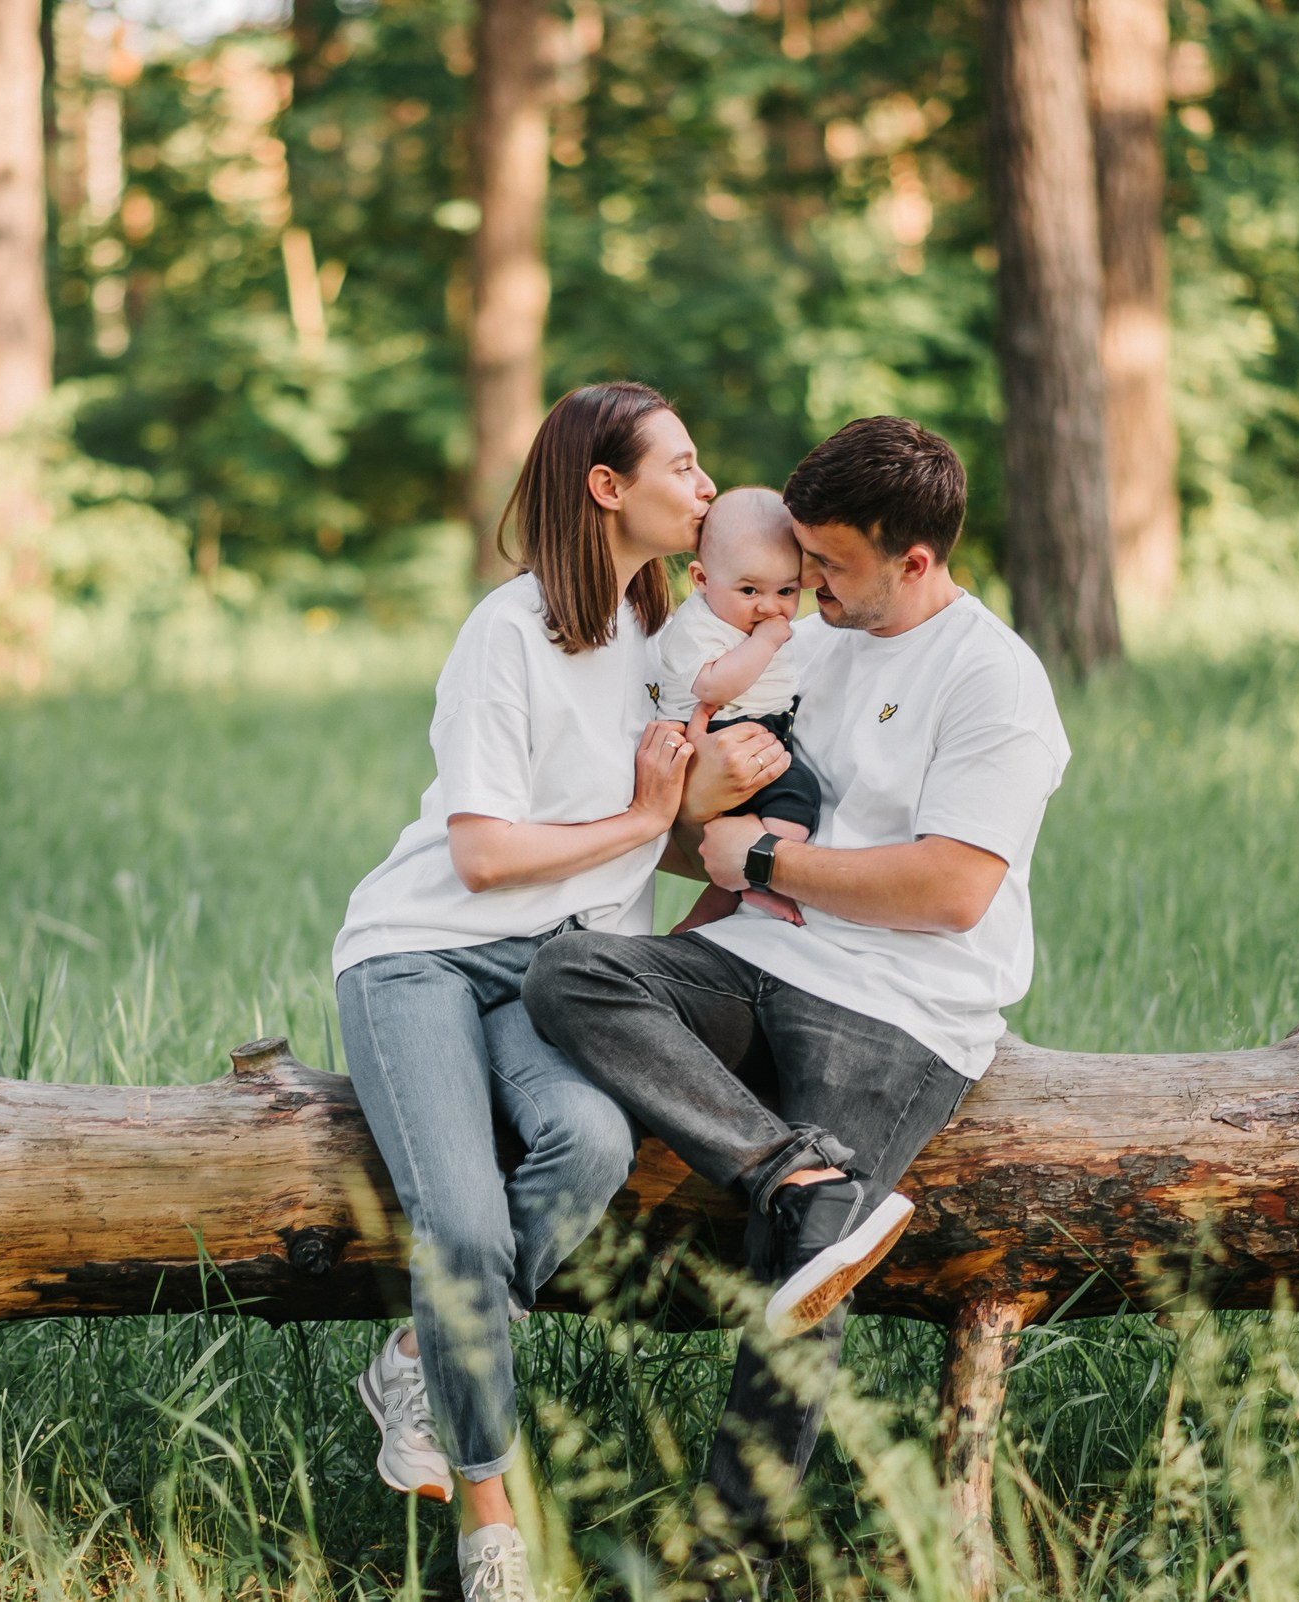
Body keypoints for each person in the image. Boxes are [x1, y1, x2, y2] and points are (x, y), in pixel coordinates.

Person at [523, 415, 1071, 1584]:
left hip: (906, 1004)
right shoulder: (807, 645)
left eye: (829, 564)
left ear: (913, 561)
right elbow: (694, 828)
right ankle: (790, 1168)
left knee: (797, 1270)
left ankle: (729, 1557)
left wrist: (761, 865)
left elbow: (953, 890)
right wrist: (694, 822)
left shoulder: (995, 681)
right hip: (765, 958)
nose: (801, 584)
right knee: (570, 972)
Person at [331, 382, 788, 1602]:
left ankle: (417, 1357)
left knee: (588, 1144)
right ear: (606, 486)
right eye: (682, 467)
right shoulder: (508, 632)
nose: (704, 488)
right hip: (424, 950)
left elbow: (752, 667)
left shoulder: (668, 631)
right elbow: (482, 853)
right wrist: (643, 817)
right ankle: (489, 1522)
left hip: (557, 969)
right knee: (467, 1224)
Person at [653, 486, 821, 930]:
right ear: (702, 578)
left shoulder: (748, 618)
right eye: (749, 590)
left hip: (757, 731)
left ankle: (732, 897)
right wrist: (766, 642)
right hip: (714, 735)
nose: (769, 606)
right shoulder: (696, 625)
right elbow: (713, 686)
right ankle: (758, 883)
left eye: (787, 589)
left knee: (789, 805)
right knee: (796, 793)